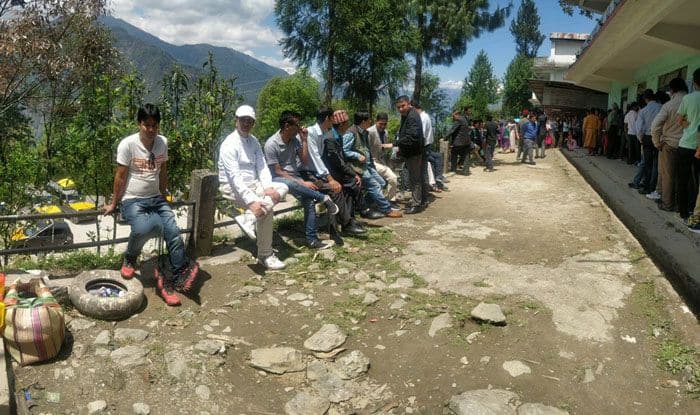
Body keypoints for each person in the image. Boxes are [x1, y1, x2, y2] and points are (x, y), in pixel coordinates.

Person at [103, 104, 199, 306]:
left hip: (156, 198)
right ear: (139, 124)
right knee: (146, 227)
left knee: (173, 232)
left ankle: (177, 274)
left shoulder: (162, 143)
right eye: (147, 125)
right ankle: (130, 257)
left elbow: (163, 171)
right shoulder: (128, 145)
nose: (151, 129)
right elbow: (120, 177)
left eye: (154, 125)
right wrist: (114, 203)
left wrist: (164, 196)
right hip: (132, 199)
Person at [218, 105, 289, 270]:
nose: (246, 123)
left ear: (253, 123)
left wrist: (268, 187)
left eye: (249, 121)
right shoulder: (229, 144)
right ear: (236, 120)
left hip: (253, 184)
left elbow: (262, 166)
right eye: (243, 120)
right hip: (231, 187)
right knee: (265, 209)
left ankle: (249, 218)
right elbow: (234, 178)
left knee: (282, 187)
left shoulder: (254, 141)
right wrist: (252, 201)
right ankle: (265, 255)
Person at [264, 110, 341, 249]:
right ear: (287, 126)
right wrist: (302, 182)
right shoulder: (271, 144)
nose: (300, 127)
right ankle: (323, 198)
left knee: (309, 200)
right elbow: (278, 171)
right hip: (278, 179)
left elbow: (304, 161)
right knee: (291, 183)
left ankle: (312, 240)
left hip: (295, 177)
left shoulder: (294, 140)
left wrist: (304, 140)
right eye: (297, 125)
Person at [344, 111, 402, 219]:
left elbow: (367, 149)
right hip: (358, 167)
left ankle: (365, 205)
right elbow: (344, 150)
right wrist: (357, 155)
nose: (370, 122)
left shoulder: (364, 132)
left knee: (382, 182)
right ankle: (387, 209)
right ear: (363, 121)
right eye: (368, 120)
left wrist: (371, 163)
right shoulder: (351, 133)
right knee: (375, 185)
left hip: (368, 165)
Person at [323, 110, 367, 236]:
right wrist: (353, 174)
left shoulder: (338, 136)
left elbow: (343, 160)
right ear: (342, 124)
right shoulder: (330, 138)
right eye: (347, 123)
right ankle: (361, 210)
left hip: (337, 171)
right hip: (329, 173)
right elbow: (337, 162)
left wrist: (353, 174)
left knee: (352, 184)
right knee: (352, 183)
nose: (349, 125)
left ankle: (350, 220)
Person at [650, 78, 688, 211]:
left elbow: (655, 126)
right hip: (687, 146)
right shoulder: (692, 102)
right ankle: (680, 205)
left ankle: (667, 204)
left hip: (669, 145)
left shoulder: (669, 105)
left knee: (668, 176)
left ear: (672, 90)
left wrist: (657, 143)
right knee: (683, 177)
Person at [677, 68, 700, 227]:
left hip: (685, 144)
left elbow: (680, 121)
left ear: (695, 82)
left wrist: (689, 125)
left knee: (683, 179)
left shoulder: (688, 98)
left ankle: (683, 212)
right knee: (698, 181)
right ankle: (695, 210)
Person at [396, 96, 426, 214]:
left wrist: (396, 143)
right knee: (415, 178)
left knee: (415, 179)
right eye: (398, 107)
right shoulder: (407, 114)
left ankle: (416, 204)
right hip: (410, 152)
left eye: (403, 106)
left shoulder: (412, 116)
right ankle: (418, 200)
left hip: (414, 153)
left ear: (409, 104)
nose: (401, 109)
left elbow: (412, 137)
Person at [635, 90, 663, 195]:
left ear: (645, 99)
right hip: (659, 137)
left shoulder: (643, 111)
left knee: (648, 164)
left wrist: (641, 139)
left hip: (647, 138)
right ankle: (654, 187)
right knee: (656, 164)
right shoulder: (661, 107)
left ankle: (647, 187)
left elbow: (639, 128)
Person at [367, 113, 399, 204]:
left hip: (381, 161)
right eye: (381, 124)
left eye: (385, 124)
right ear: (376, 121)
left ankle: (390, 200)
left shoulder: (386, 132)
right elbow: (366, 149)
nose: (383, 126)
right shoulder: (370, 132)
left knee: (391, 179)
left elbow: (383, 149)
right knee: (390, 178)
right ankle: (385, 202)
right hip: (372, 161)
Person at [446, 110, 470, 175]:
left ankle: (453, 169)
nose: (453, 117)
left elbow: (452, 130)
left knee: (454, 154)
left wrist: (445, 138)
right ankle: (466, 171)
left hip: (459, 142)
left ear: (457, 114)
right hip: (467, 142)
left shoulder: (458, 120)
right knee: (465, 156)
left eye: (453, 116)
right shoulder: (465, 120)